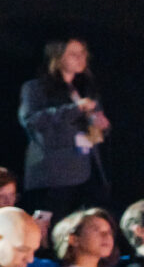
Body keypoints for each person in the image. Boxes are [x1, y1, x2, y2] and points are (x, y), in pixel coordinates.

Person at [21, 38, 110, 216]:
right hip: (55, 176)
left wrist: (102, 126)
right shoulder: (35, 88)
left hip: (87, 171)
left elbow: (96, 131)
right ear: (57, 57)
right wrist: (74, 109)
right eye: (73, 54)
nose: (80, 58)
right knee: (53, 223)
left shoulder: (85, 89)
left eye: (83, 53)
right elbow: (31, 121)